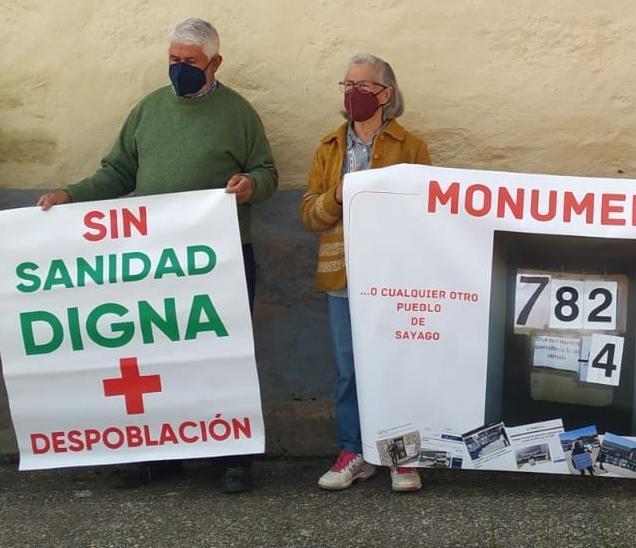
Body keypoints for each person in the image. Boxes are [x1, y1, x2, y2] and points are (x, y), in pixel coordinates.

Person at [36, 17, 278, 494]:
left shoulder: (239, 114)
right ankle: (159, 456)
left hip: (221, 258)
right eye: (173, 60)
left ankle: (232, 458)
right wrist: (71, 195)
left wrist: (251, 186)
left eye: (190, 62)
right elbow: (117, 173)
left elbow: (266, 172)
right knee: (158, 355)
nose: (179, 69)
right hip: (157, 261)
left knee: (222, 355)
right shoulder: (148, 111)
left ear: (215, 63)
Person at [300, 53, 431, 493]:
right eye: (347, 85)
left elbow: (425, 210)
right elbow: (309, 215)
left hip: (392, 278)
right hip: (343, 278)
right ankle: (353, 451)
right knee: (349, 370)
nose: (353, 93)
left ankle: (401, 455)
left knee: (396, 364)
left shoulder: (410, 146)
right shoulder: (328, 148)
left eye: (364, 86)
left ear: (385, 94)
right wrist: (336, 196)